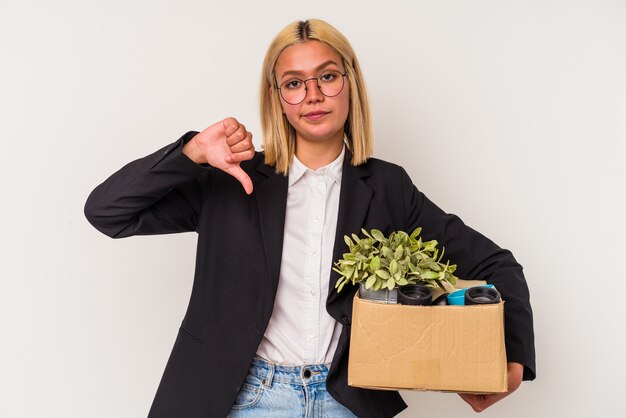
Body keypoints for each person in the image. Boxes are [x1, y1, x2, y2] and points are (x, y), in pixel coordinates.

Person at [84, 18, 535, 418]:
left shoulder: (387, 188)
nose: (313, 95)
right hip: (244, 398)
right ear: (277, 96)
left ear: (350, 83)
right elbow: (107, 212)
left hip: (345, 400)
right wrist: (192, 153)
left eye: (328, 77)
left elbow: (497, 265)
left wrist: (510, 358)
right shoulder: (232, 179)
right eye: (294, 83)